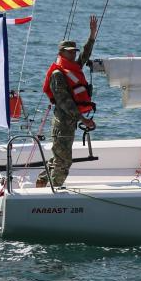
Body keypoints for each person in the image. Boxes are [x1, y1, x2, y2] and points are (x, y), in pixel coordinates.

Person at [36, 15, 98, 188]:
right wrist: (83, 119)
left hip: (69, 121)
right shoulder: (58, 74)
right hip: (62, 122)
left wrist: (92, 35)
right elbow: (65, 102)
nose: (73, 53)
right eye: (69, 51)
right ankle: (53, 192)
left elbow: (85, 55)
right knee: (64, 161)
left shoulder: (73, 67)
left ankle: (41, 182)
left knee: (58, 157)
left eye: (74, 51)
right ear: (61, 53)